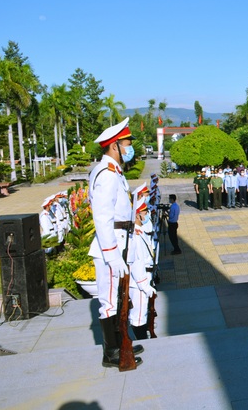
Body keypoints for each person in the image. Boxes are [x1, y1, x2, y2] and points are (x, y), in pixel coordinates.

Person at [87, 117, 143, 368]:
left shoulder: (114, 172)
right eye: (127, 143)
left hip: (120, 242)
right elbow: (102, 216)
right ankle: (111, 352)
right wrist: (111, 255)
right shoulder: (107, 175)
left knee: (119, 299)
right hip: (111, 247)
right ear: (114, 146)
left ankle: (122, 342)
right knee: (110, 301)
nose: (130, 148)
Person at [128, 197, 156, 340]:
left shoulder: (140, 232)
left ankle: (143, 336)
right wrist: (144, 286)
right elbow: (137, 264)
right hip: (139, 282)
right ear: (138, 214)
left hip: (145, 277)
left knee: (143, 313)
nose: (147, 214)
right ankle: (141, 341)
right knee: (138, 316)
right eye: (145, 212)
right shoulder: (135, 236)